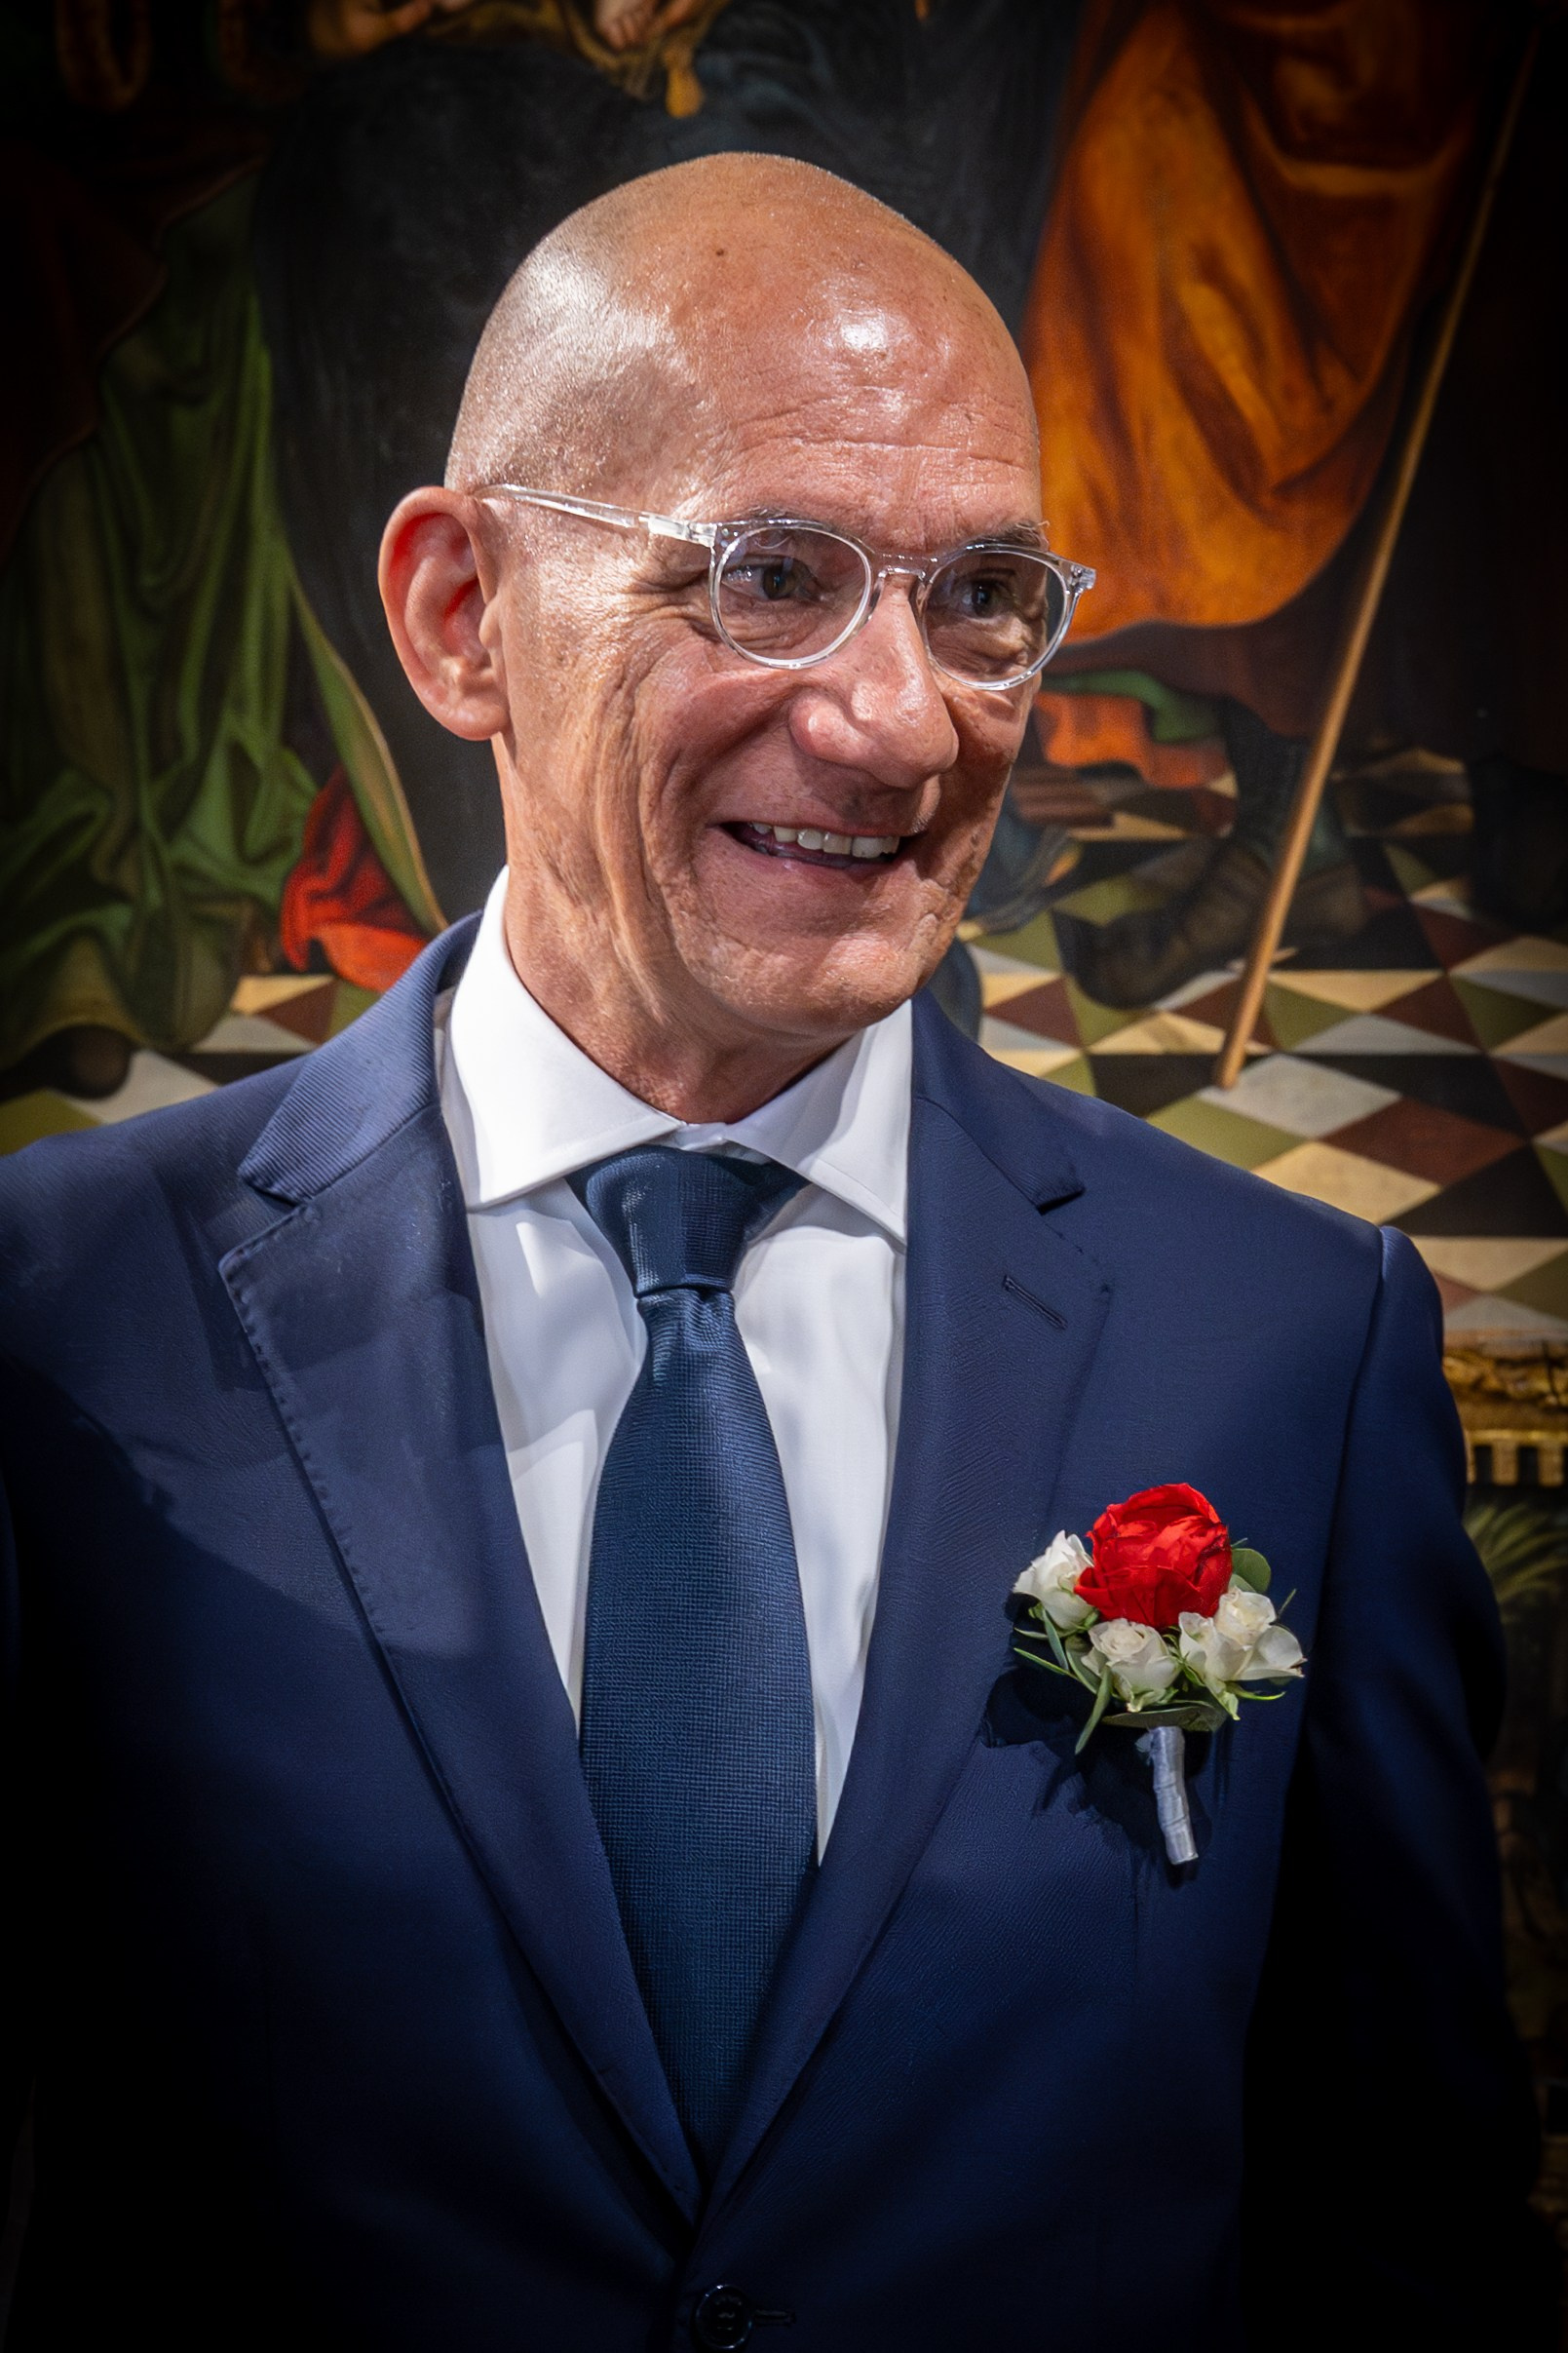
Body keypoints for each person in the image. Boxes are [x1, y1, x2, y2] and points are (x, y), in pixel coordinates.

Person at [0, 154, 1548, 2350]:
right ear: (460, 615)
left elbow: (1407, 2238)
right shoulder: (55, 1317)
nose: (900, 721)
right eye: (774, 576)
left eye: (983, 596)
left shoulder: (1287, 1341)